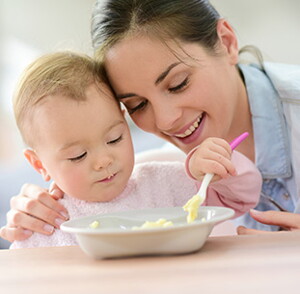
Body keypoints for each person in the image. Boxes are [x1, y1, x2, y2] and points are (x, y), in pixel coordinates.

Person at [1, 0, 299, 243]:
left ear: (227, 42)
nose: (166, 120)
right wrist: (40, 213)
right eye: (138, 105)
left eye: (178, 83)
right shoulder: (156, 172)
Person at [8, 50, 260, 248]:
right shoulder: (45, 221)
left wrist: (216, 165)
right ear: (40, 165)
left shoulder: (165, 183)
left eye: (115, 138)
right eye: (78, 155)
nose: (104, 160)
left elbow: (243, 196)